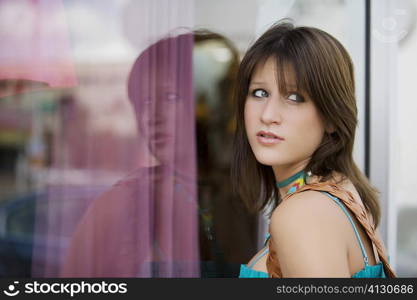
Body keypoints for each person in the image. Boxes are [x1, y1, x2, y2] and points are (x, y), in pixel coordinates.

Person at [232, 20, 396, 278]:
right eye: (260, 93)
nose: (268, 114)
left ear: (331, 117)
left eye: (294, 97)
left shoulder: (304, 214)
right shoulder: (340, 188)